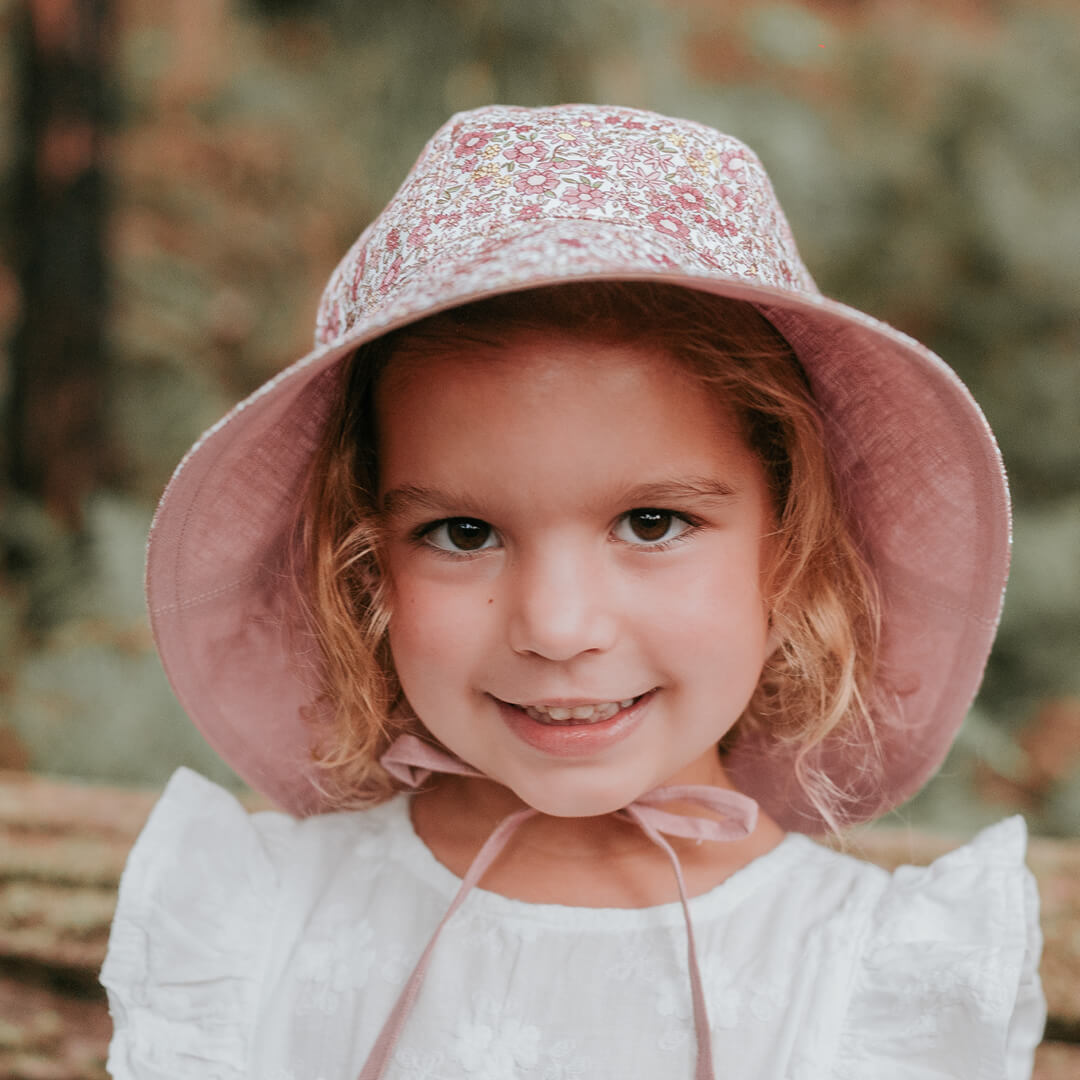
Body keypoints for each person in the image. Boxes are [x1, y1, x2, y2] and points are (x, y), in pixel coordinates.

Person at [101, 104, 1045, 1080]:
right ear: (367, 561)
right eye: (463, 534)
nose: (556, 627)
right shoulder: (260, 930)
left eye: (651, 524)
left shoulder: (868, 984)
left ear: (791, 547)